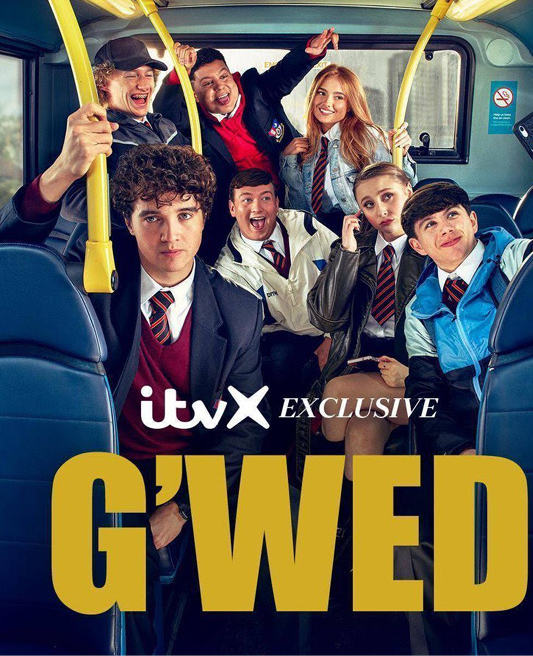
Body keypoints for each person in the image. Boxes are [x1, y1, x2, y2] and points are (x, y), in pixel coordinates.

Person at [0, 105, 271, 653]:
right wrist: (62, 173)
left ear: (205, 219)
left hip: (182, 474)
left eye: (186, 215)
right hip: (99, 464)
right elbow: (12, 256)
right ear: (128, 222)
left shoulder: (240, 311)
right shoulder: (94, 284)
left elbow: (246, 428)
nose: (171, 235)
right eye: (153, 217)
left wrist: (186, 506)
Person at [402, 143, 533, 457]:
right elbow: (424, 395)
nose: (445, 228)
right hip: (472, 438)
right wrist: (459, 449)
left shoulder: (513, 259)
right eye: (430, 224)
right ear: (418, 245)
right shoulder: (419, 312)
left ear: (472, 221)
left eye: (452, 215)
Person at [157, 29, 339, 263]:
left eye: (224, 77)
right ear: (195, 94)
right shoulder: (193, 122)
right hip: (235, 213)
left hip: (288, 196)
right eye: (208, 83)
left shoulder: (255, 90)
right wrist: (176, 75)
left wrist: (309, 53)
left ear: (233, 76)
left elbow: (283, 74)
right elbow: (164, 110)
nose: (220, 87)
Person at [301, 162, 423, 481]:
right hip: (361, 361)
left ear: (409, 194)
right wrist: (347, 254)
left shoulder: (433, 248)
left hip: (413, 373)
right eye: (369, 204)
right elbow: (325, 316)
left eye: (388, 196)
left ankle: (325, 472)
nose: (381, 210)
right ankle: (364, 524)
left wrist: (413, 372)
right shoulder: (353, 250)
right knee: (362, 432)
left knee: (337, 394)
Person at [213, 168, 337, 456]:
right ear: (232, 208)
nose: (256, 208)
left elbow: (346, 276)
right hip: (281, 337)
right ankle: (283, 451)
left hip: (332, 327)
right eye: (246, 200)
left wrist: (331, 337)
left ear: (277, 204)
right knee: (279, 364)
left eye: (265, 198)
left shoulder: (307, 225)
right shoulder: (228, 267)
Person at [60, 37, 190, 254]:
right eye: (131, 75)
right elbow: (71, 202)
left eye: (148, 75)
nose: (143, 83)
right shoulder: (100, 132)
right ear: (104, 84)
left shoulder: (165, 126)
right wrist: (144, 205)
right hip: (126, 252)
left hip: (172, 242)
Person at [281, 64, 416, 235]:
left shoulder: (367, 137)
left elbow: (403, 187)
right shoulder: (309, 144)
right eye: (321, 93)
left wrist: (401, 155)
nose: (327, 102)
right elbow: (299, 207)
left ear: (350, 103)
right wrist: (288, 161)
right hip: (320, 232)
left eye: (339, 97)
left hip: (362, 231)